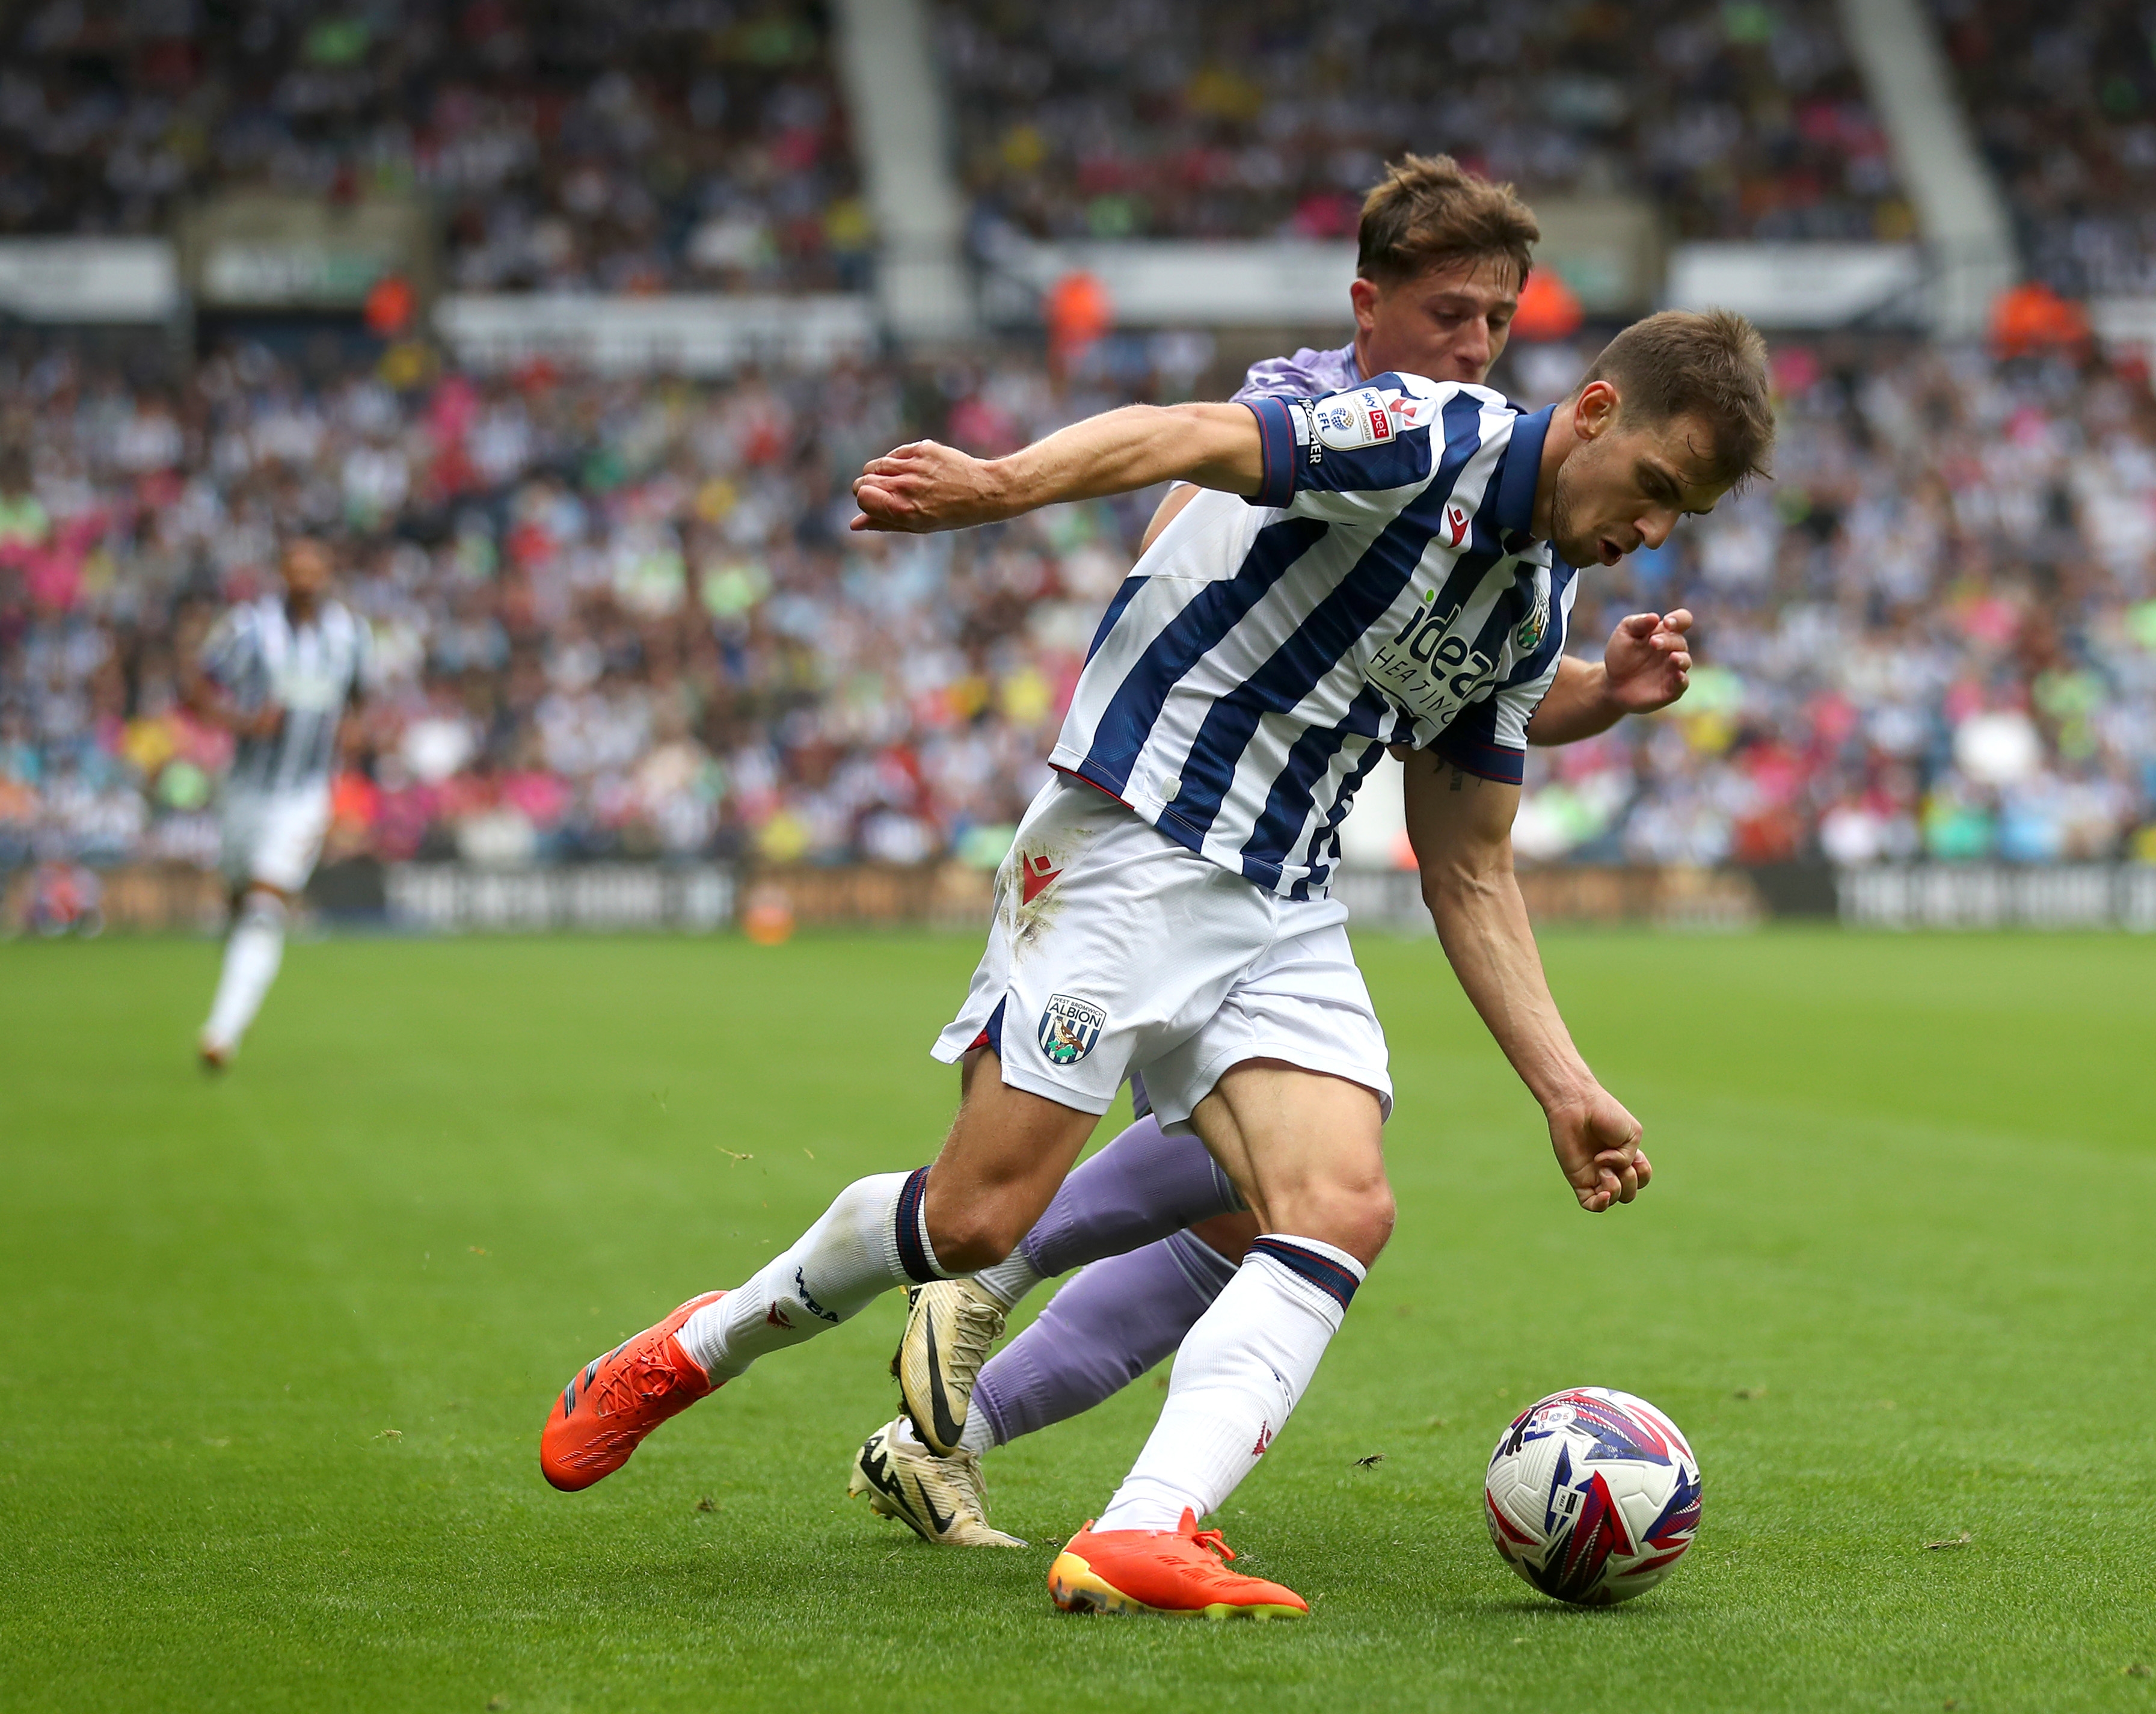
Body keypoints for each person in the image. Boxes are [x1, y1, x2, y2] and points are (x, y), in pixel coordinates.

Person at [538, 307, 1774, 1620]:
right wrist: (993, 487)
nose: (1651, 530)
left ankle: (1143, 1530)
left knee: (1338, 1205)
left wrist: (1564, 1086)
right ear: (1591, 414)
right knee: (972, 1219)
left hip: (1282, 902)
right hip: (1136, 842)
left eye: (1679, 516)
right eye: (1652, 485)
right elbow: (1196, 435)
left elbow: (1468, 865)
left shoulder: (1532, 611)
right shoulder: (1428, 434)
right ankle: (694, 1346)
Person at [851, 157, 1700, 1548]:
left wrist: (1594, 697)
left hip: (1277, 835)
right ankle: (979, 1303)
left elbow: (1440, 673)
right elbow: (1212, 511)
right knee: (1250, 1173)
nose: (1475, 343)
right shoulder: (1324, 408)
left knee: (1271, 1207)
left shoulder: (1477, 469)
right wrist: (1002, 487)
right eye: (1450, 312)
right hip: (1169, 815)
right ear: (1368, 305)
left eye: (1496, 319)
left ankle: (945, 1430)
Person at [186, 536, 369, 1070]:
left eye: (316, 567)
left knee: (267, 905)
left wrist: (353, 735)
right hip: (245, 787)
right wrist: (242, 723)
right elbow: (198, 687)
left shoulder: (351, 635)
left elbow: (360, 700)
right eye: (297, 567)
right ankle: (238, 992)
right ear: (283, 573)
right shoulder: (248, 628)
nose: (306, 576)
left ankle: (221, 1032)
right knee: (242, 899)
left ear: (328, 573)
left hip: (305, 793)